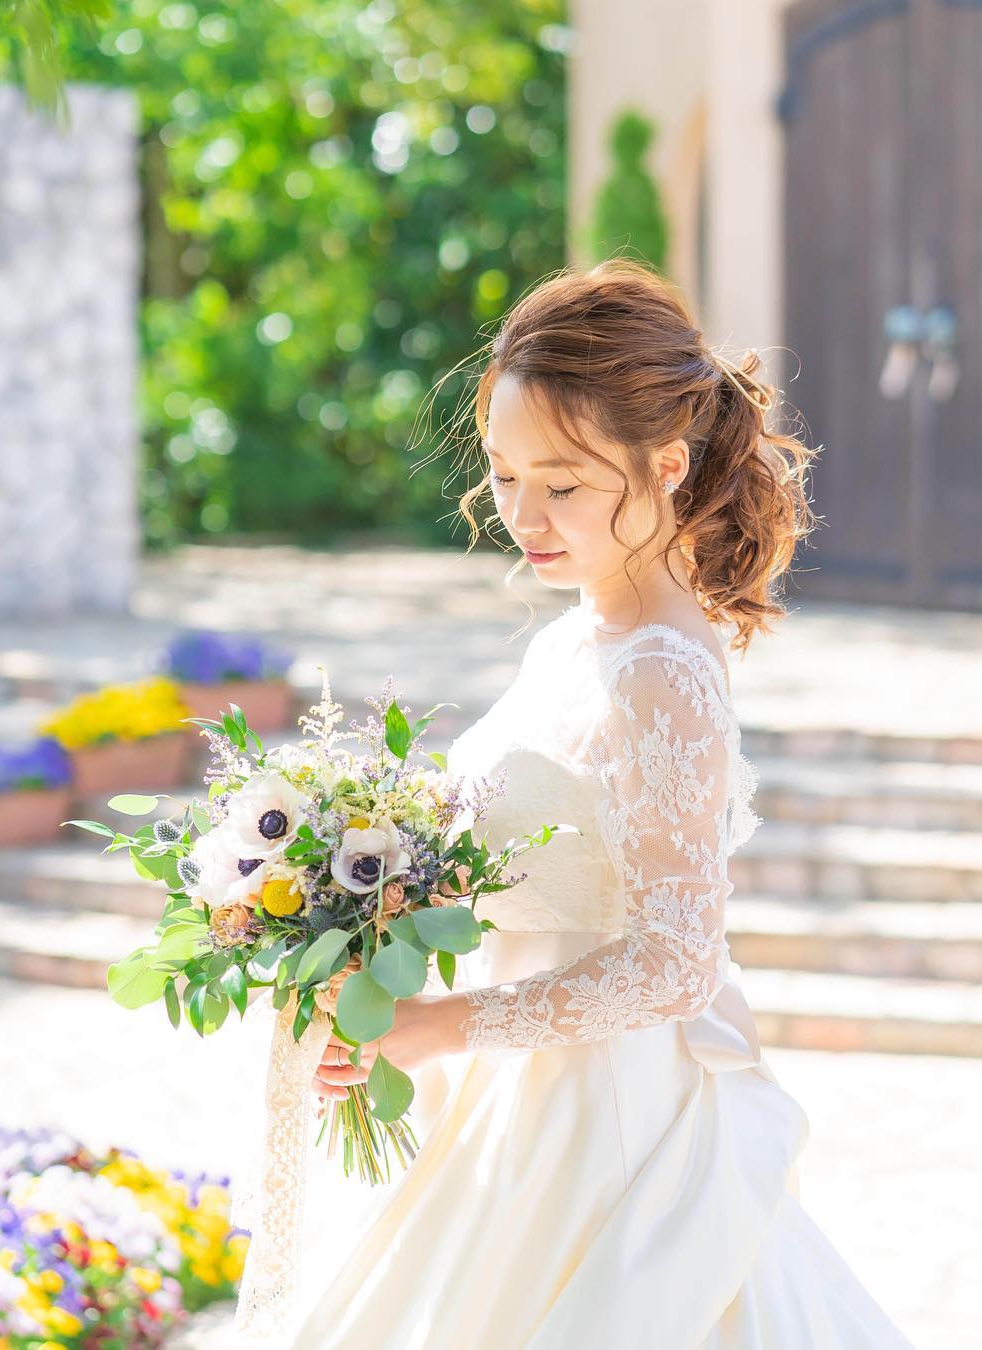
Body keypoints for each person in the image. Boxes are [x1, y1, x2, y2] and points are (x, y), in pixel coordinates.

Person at [299, 259, 917, 1346]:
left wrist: (434, 1026)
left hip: (615, 1129)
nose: (522, 515)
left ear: (666, 464)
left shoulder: (660, 671)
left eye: (564, 484)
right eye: (502, 474)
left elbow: (677, 961)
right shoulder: (574, 637)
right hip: (521, 1100)